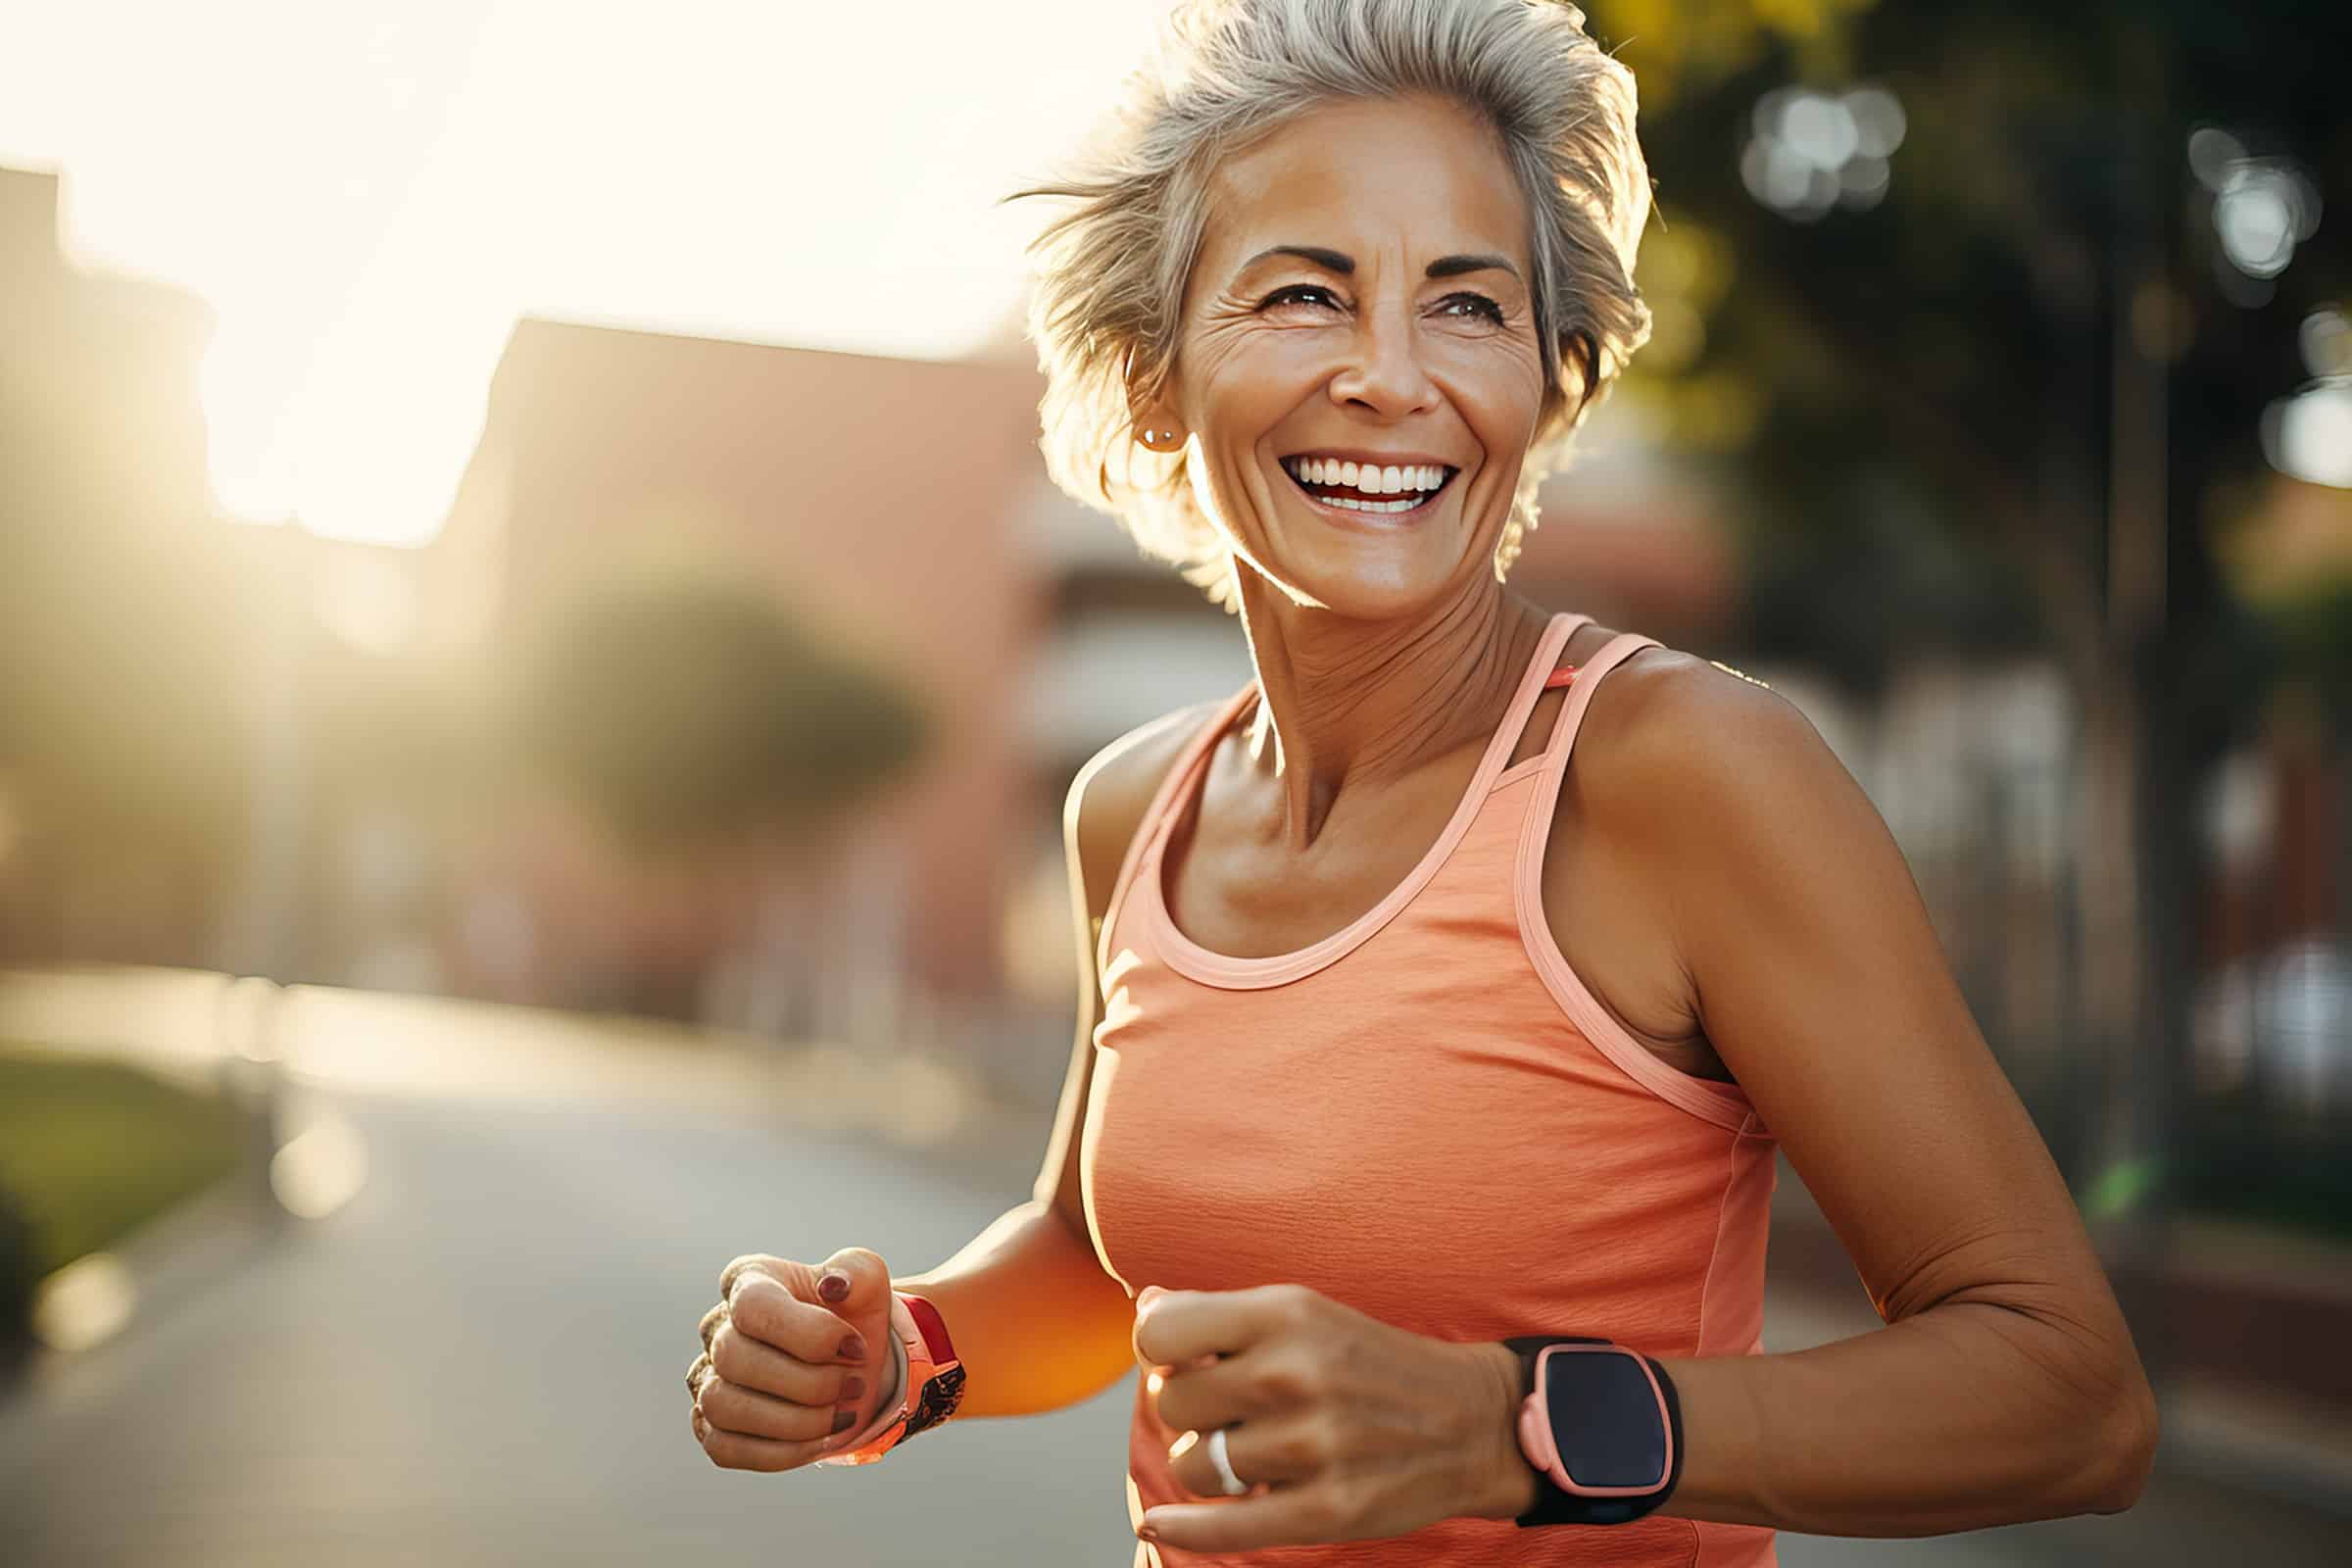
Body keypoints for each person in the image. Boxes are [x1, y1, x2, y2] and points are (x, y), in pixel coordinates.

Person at [682, 2, 2160, 1562]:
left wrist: (1510, 1424)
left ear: (1546, 377)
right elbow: (1104, 1265)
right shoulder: (1137, 809)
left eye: (1468, 305)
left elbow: (2068, 1394)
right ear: (1154, 376)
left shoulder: (1680, 773)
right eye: (1306, 293)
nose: (1392, 379)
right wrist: (895, 1353)